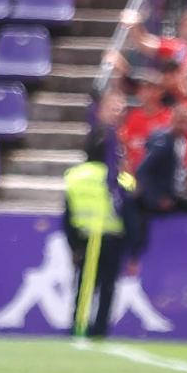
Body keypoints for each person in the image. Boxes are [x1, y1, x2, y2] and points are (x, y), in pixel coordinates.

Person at [63, 133, 142, 339]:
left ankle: (77, 325)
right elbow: (131, 218)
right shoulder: (121, 180)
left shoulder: (74, 176)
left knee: (84, 285)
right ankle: (100, 330)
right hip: (111, 240)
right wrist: (133, 250)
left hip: (84, 239)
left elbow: (68, 215)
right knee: (107, 287)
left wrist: (73, 245)